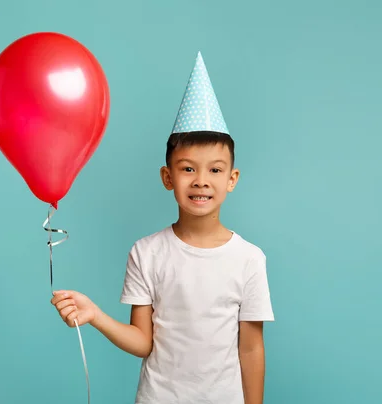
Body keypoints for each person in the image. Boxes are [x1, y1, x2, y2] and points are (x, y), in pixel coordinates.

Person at [51, 52, 274, 404]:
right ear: (167, 177)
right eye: (188, 169)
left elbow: (250, 348)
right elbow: (144, 342)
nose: (201, 181)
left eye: (215, 170)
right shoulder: (147, 252)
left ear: (232, 179)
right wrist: (95, 315)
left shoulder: (249, 259)